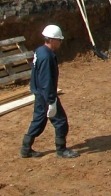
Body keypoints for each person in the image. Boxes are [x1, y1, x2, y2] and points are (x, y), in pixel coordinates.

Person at [20, 25, 79, 159]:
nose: (60, 42)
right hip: (46, 96)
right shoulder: (47, 57)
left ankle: (25, 148)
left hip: (40, 94)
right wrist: (51, 101)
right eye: (59, 39)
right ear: (52, 40)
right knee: (61, 121)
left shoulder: (40, 51)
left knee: (39, 121)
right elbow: (46, 81)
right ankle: (61, 150)